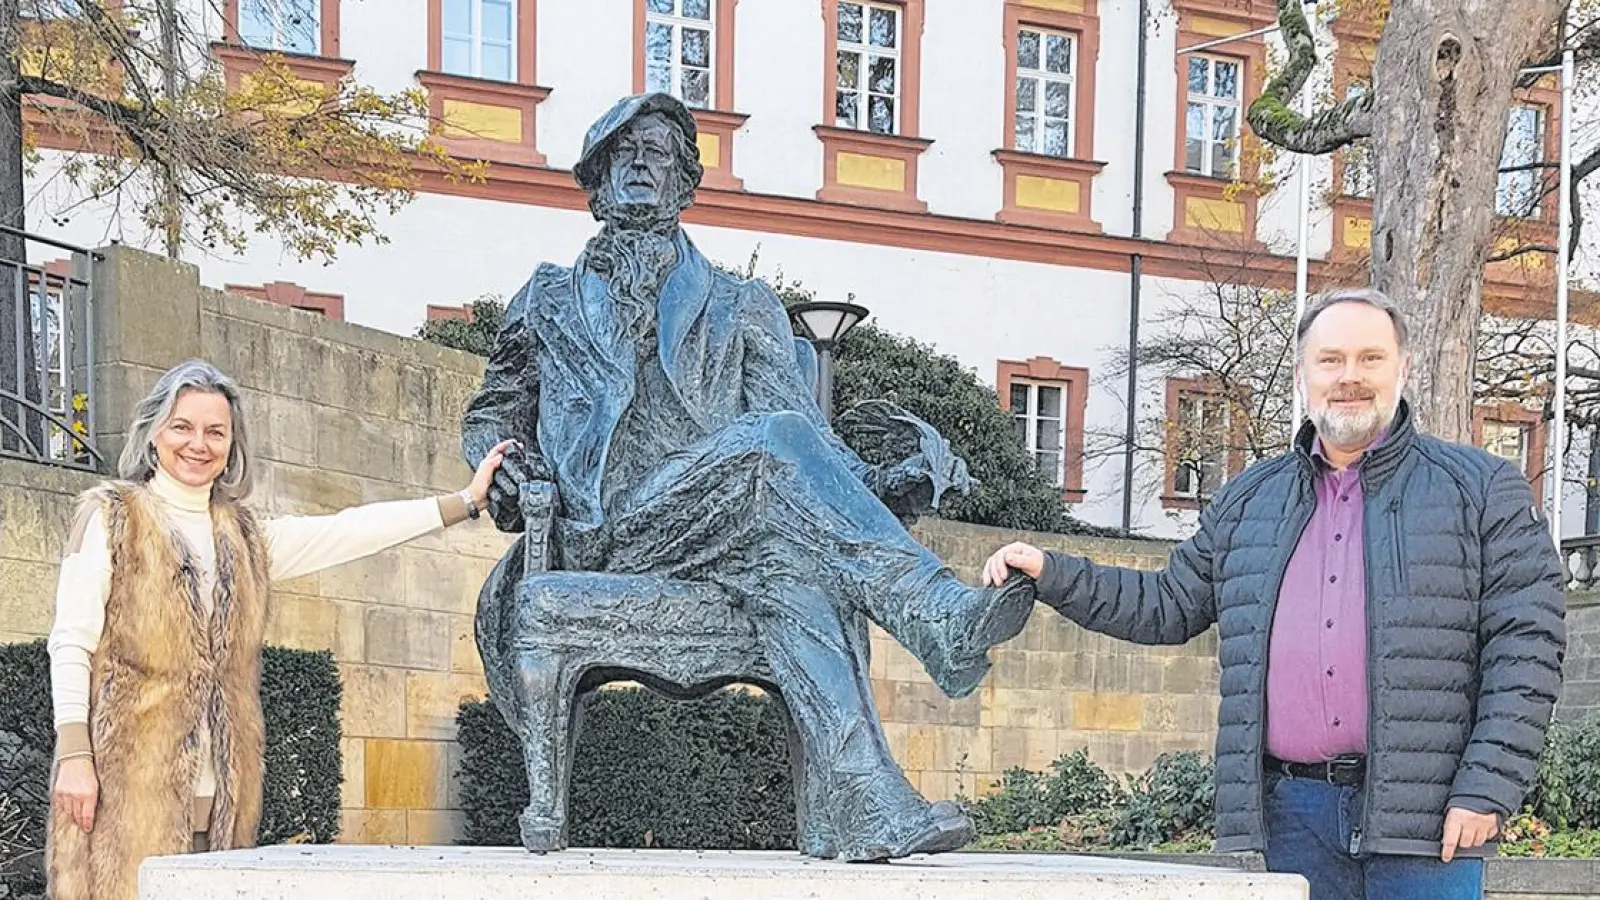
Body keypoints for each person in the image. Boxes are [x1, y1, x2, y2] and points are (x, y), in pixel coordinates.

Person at [460, 92, 1036, 862]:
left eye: (657, 152)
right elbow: (492, 412)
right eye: (621, 153)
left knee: (795, 577)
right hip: (607, 530)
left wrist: (888, 482)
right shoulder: (547, 299)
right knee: (773, 450)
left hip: (723, 536)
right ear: (596, 185)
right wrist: (499, 464)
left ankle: (873, 808)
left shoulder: (743, 307)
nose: (639, 162)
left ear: (685, 184)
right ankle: (935, 614)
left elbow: (809, 453)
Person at [981, 288, 1566, 899]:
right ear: (1302, 374)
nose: (1350, 378)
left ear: (1404, 368)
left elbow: (1528, 646)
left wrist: (1486, 788)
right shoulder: (1248, 499)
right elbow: (1167, 604)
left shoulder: (1480, 489)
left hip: (1429, 825)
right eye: (1331, 359)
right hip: (1289, 819)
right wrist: (1051, 572)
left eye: (1371, 358)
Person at [44, 359, 513, 900]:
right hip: (124, 791)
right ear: (153, 435)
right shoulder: (111, 518)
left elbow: (349, 531)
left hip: (225, 797)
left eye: (215, 432)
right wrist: (75, 757)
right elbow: (71, 641)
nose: (198, 443)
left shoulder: (245, 537)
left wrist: (466, 501)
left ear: (231, 446)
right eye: (182, 427)